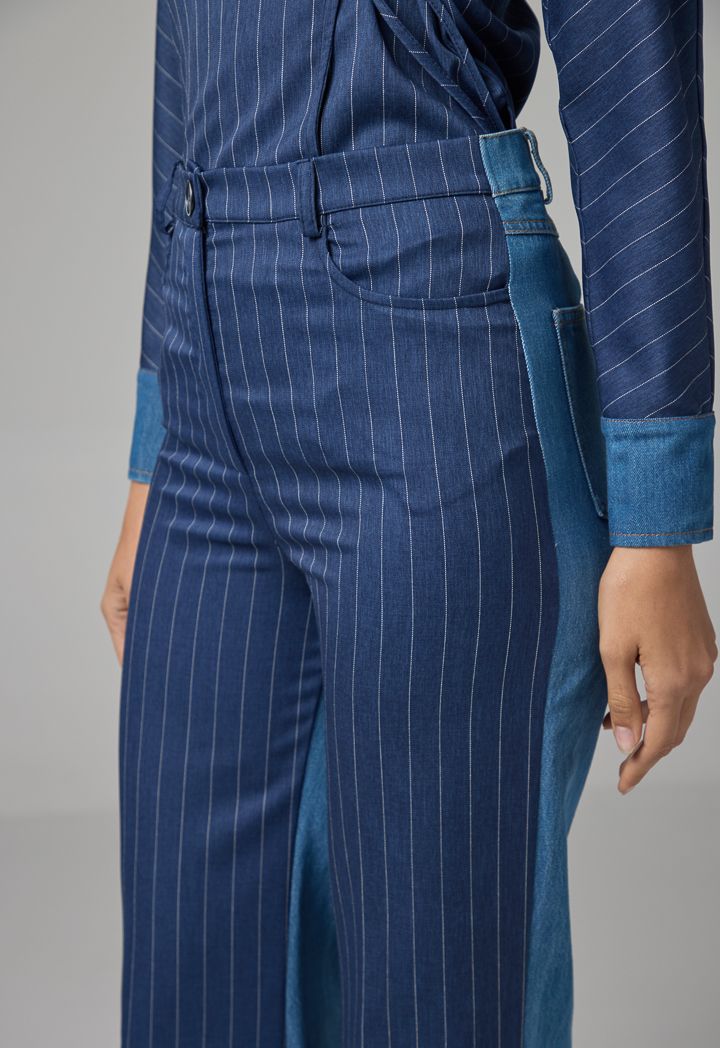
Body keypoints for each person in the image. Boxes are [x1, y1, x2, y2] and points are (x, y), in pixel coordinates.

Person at [101, 1, 716, 1045]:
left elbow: (630, 68)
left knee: (444, 984)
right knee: (194, 977)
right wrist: (152, 450)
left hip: (431, 335)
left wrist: (657, 516)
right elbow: (185, 63)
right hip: (205, 356)